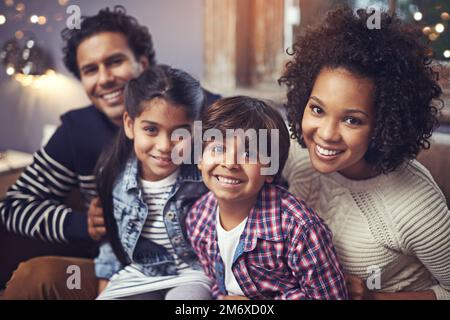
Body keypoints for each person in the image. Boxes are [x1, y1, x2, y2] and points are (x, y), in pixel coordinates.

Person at [0, 6, 219, 299]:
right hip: (114, 268)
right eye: (90, 70)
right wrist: (82, 224)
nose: (104, 79)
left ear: (143, 63)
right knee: (37, 276)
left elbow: (260, 154)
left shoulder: (204, 112)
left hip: (193, 272)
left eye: (115, 61)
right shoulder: (76, 131)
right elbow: (14, 207)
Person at [279, 6, 450, 300]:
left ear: (384, 124)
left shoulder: (416, 204)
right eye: (317, 109)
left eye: (352, 120)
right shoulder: (295, 151)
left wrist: (374, 297)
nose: (326, 133)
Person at [186, 96, 348, 300]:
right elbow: (218, 284)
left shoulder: (299, 229)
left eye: (248, 153)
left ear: (271, 170)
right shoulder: (198, 218)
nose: (230, 163)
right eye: (218, 149)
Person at [94, 65, 212, 300]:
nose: (165, 145)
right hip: (138, 275)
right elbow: (111, 238)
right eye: (151, 129)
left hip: (193, 274)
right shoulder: (113, 175)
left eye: (180, 133)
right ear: (130, 125)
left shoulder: (205, 174)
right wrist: (104, 284)